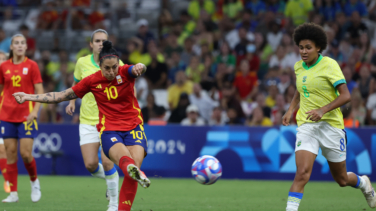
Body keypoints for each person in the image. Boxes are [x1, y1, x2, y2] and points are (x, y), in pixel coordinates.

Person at [13, 40, 150, 211]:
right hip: (110, 130)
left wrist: (140, 66)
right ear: (100, 66)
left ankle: (127, 191)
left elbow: (139, 68)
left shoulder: (124, 72)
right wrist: (28, 96)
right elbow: (62, 95)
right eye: (106, 68)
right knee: (128, 164)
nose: (111, 71)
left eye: (114, 67)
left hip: (134, 127)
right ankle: (132, 170)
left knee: (133, 170)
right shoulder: (91, 81)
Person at [282, 23, 376, 211]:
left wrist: (322, 110)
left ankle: (364, 183)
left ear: (318, 47)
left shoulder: (330, 65)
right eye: (301, 47)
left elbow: (346, 96)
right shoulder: (299, 67)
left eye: (308, 47)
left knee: (341, 179)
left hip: (331, 127)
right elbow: (301, 90)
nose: (304, 51)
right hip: (307, 125)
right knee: (301, 174)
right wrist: (290, 108)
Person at [65, 29, 122, 211]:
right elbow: (75, 84)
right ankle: (111, 178)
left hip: (109, 121)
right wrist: (71, 102)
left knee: (107, 162)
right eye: (96, 40)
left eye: (103, 41)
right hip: (87, 120)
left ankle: (113, 204)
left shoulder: (116, 63)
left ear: (108, 44)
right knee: (90, 165)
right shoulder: (82, 62)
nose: (100, 43)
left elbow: (127, 84)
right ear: (91, 44)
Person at [0, 34, 44, 203]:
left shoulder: (32, 66)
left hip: (26, 115)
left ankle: (34, 181)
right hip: (7, 115)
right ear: (11, 47)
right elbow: (1, 90)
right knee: (10, 154)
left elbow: (40, 92)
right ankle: (13, 193)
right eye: (16, 43)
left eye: (22, 43)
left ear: (26, 47)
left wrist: (35, 112)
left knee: (25, 154)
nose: (19, 46)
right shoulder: (3, 66)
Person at [0, 51, 9, 193]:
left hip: (5, 116)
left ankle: (7, 180)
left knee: (3, 150)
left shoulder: (11, 78)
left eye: (2, 59)